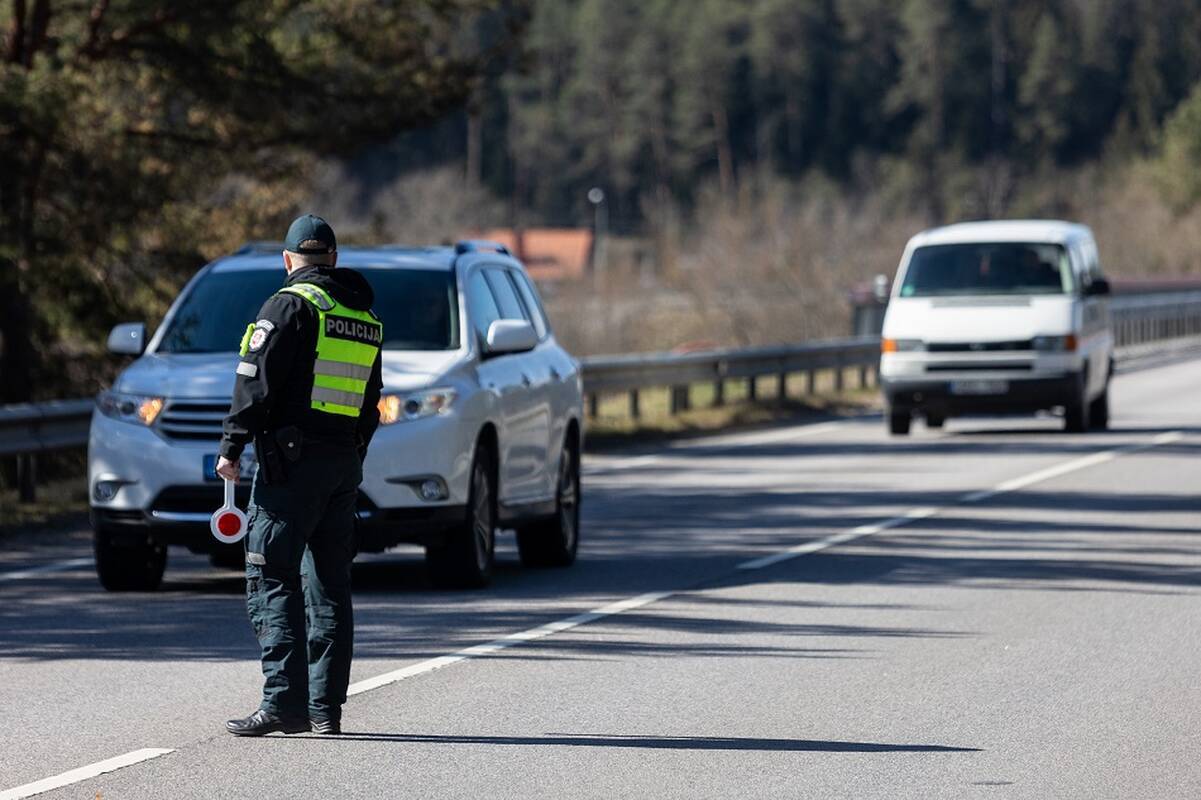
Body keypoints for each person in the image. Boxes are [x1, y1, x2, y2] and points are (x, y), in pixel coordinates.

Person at [218, 214, 383, 737]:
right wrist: (351, 451)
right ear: (333, 258)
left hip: (292, 466)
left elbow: (255, 383)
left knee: (271, 575)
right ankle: (324, 710)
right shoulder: (362, 316)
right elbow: (370, 403)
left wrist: (231, 447)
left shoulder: (287, 305)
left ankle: (282, 704)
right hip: (342, 464)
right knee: (330, 586)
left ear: (287, 260)